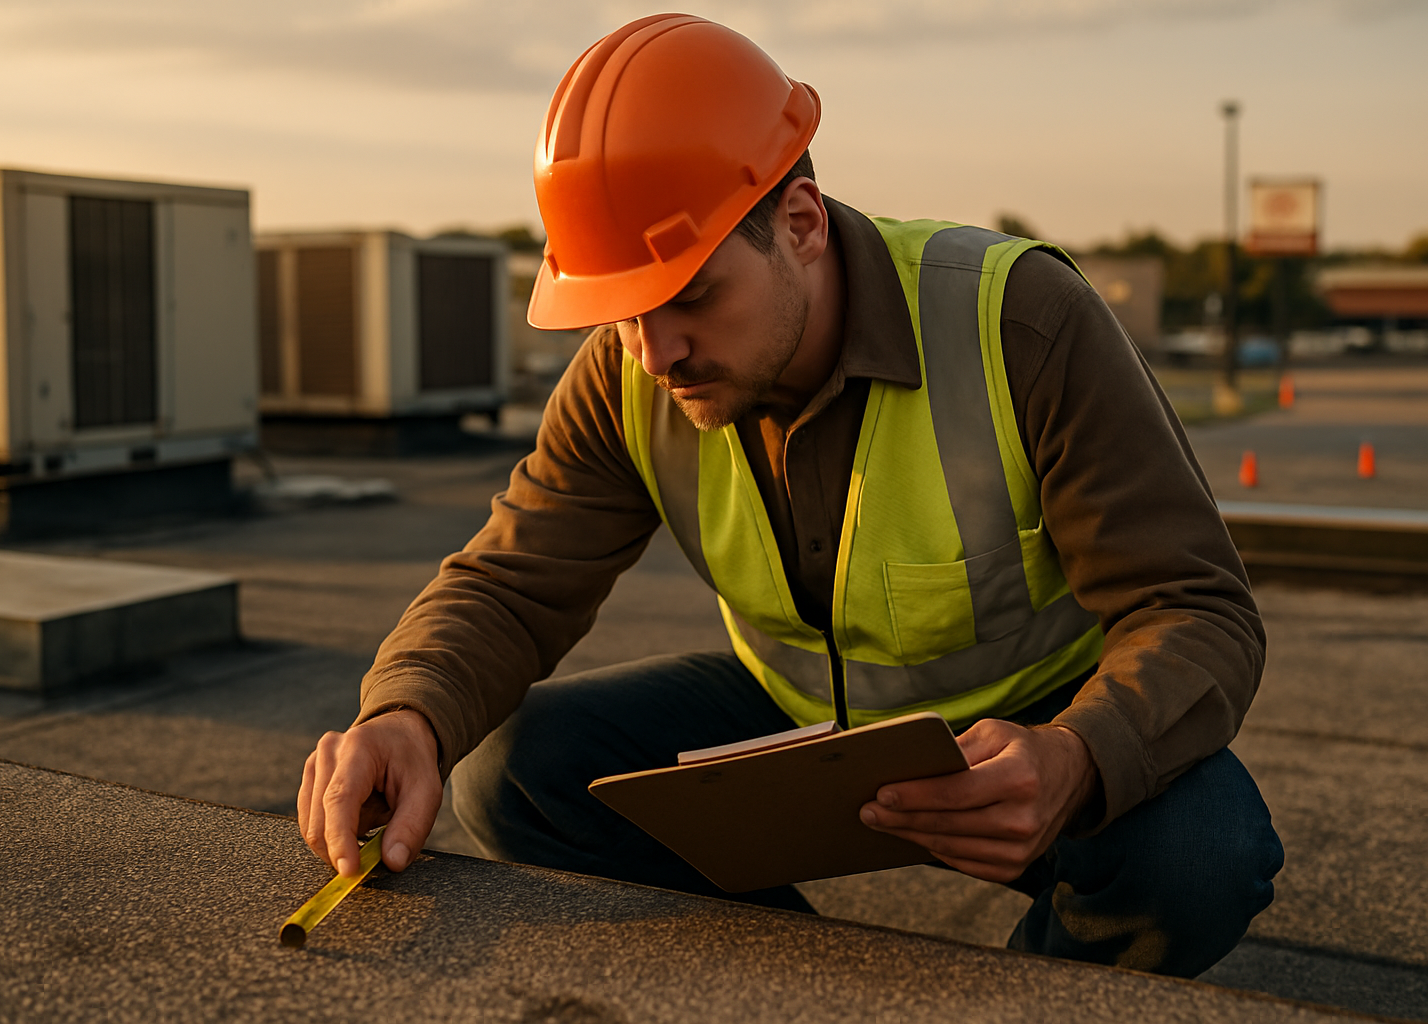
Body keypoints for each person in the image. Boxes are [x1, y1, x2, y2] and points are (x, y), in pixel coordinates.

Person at [298, 13, 1282, 977]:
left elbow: (1195, 611)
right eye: (621, 311)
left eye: (690, 294)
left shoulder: (1020, 323)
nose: (655, 351)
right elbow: (511, 582)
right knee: (510, 764)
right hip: (798, 723)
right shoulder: (629, 371)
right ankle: (804, 979)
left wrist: (1077, 754)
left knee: (1201, 855)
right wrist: (405, 714)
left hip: (1028, 731)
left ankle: (1022, 999)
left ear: (800, 223)